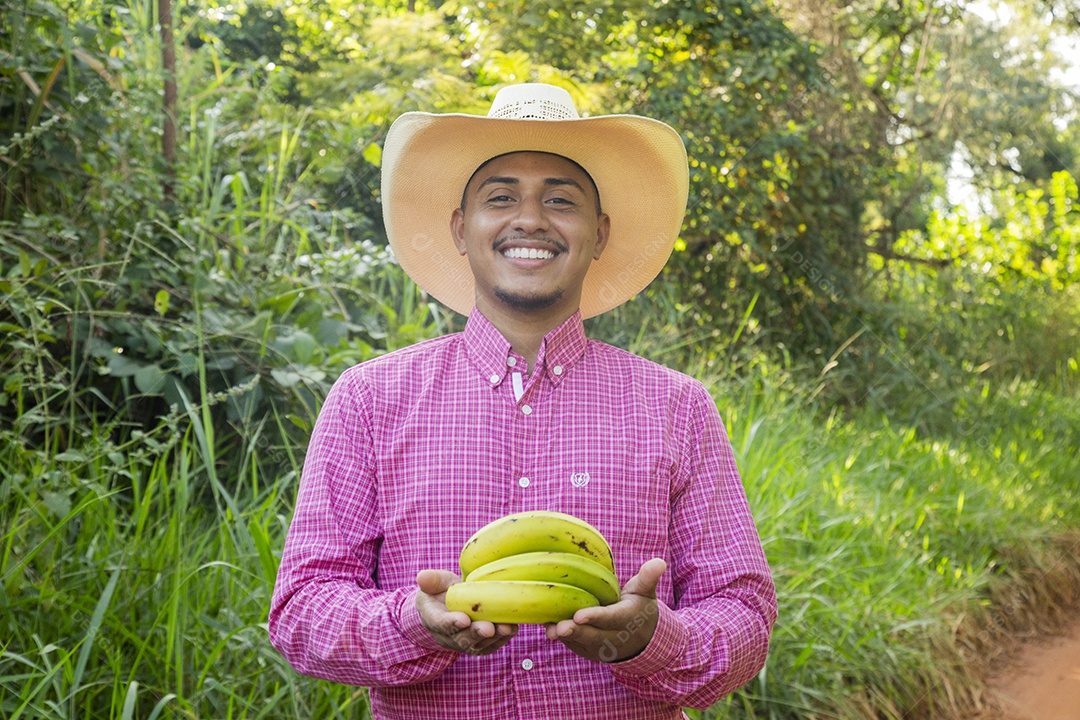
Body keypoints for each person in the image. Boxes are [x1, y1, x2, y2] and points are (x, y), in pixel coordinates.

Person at [268, 83, 777, 719]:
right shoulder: (369, 401)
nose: (530, 219)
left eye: (560, 201)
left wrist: (652, 640)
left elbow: (745, 617)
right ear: (461, 228)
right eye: (500, 197)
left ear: (599, 234)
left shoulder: (677, 407)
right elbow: (301, 610)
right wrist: (413, 624)